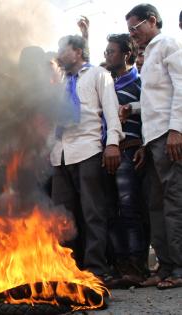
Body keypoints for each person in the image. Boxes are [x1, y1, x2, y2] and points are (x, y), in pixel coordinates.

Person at [51, 35, 124, 285]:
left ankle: (95, 268)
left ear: (79, 51)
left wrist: (112, 143)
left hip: (88, 149)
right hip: (59, 155)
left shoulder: (98, 75)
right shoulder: (58, 82)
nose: (59, 53)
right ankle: (67, 267)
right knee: (62, 216)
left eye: (64, 48)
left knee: (93, 212)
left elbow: (112, 111)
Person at [126, 3, 182, 290]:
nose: (132, 34)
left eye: (135, 28)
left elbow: (181, 87)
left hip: (168, 136)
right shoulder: (148, 55)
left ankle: (179, 267)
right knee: (156, 204)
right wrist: (132, 108)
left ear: (152, 20)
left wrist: (177, 129)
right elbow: (155, 99)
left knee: (174, 202)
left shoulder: (168, 44)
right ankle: (165, 266)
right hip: (152, 140)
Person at [104, 33, 148, 286]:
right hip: (106, 152)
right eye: (106, 52)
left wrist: (142, 145)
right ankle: (120, 267)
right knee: (110, 210)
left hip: (129, 151)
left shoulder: (139, 83)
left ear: (126, 54)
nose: (108, 56)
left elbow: (149, 114)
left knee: (129, 210)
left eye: (112, 51)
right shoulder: (106, 83)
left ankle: (136, 266)